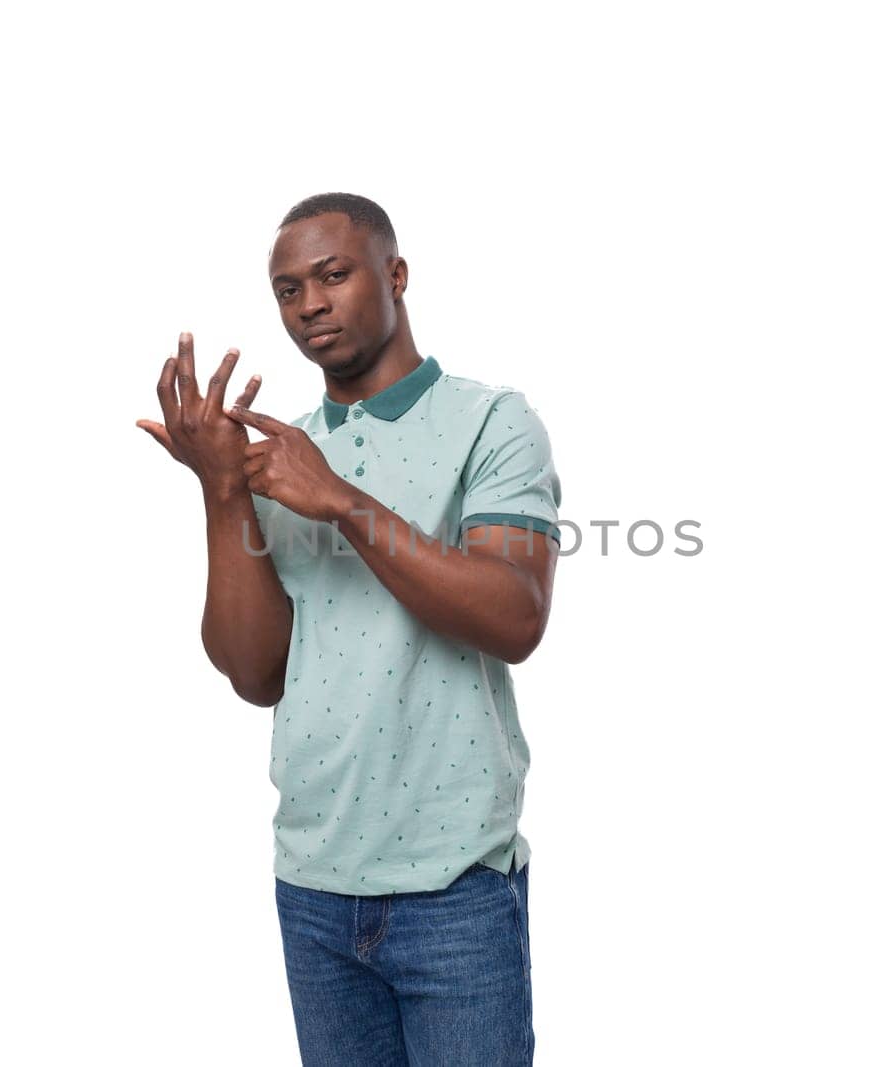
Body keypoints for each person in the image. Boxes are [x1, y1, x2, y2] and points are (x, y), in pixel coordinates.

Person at [136, 192, 560, 1065]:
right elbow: (256, 674)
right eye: (288, 290)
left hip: (456, 888)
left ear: (395, 276)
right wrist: (224, 490)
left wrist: (339, 499)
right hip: (315, 885)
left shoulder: (492, 421)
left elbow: (515, 615)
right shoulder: (277, 456)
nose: (310, 304)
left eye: (333, 275)